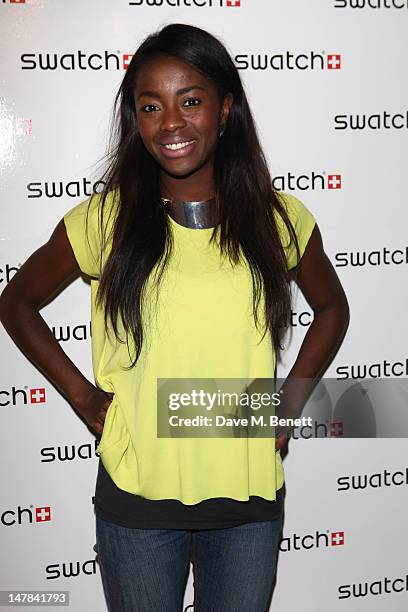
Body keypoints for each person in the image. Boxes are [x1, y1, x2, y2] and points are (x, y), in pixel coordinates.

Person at [0, 23, 349, 612]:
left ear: (226, 108)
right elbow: (16, 302)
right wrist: (86, 401)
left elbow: (332, 308)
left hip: (247, 500)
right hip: (138, 502)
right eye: (150, 106)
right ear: (135, 121)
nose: (171, 124)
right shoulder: (103, 221)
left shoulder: (278, 218)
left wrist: (290, 403)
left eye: (190, 101)